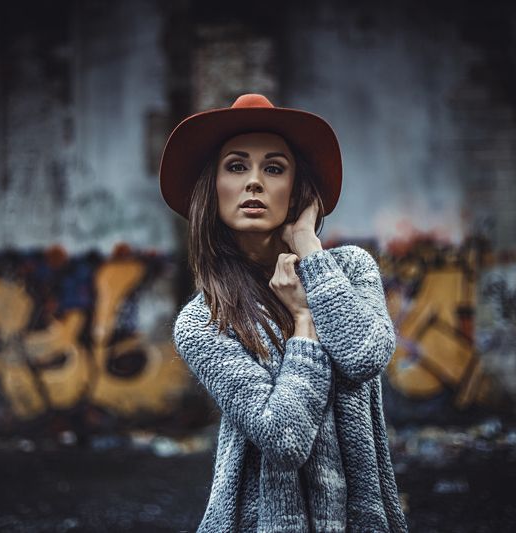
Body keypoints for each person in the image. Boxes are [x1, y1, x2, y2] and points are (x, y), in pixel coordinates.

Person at [160, 94, 409, 532]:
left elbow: (366, 355)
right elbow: (284, 437)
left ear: (296, 190)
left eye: (274, 168)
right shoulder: (203, 321)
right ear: (212, 186)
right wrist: (304, 323)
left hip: (360, 519)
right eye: (236, 166)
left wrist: (309, 248)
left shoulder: (348, 269)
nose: (254, 182)